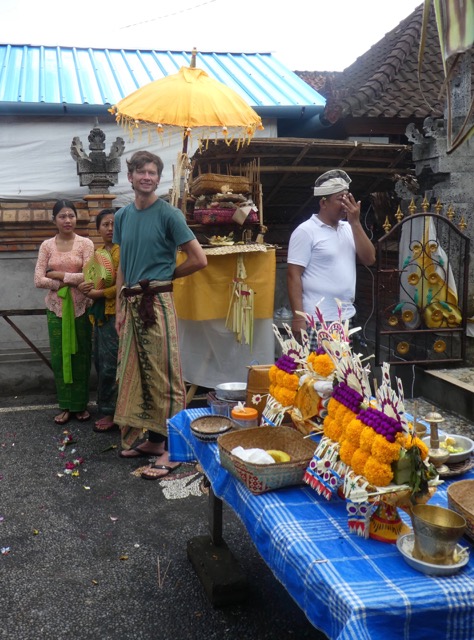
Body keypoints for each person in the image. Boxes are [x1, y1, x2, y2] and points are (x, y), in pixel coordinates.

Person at [114, 150, 207, 480]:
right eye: (141, 172)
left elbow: (199, 259)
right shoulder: (122, 216)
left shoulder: (170, 215)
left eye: (152, 172)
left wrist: (167, 277)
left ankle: (175, 448)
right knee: (140, 373)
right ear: (130, 177)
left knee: (165, 375)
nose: (147, 177)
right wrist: (119, 306)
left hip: (157, 302)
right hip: (131, 302)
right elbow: (123, 264)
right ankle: (154, 440)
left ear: (158, 178)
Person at [287, 170, 376, 348]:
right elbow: (293, 275)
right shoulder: (306, 231)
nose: (346, 204)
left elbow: (369, 259)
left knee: (345, 366)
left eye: (348, 198)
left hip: (346, 316)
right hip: (317, 319)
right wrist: (298, 317)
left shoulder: (349, 228)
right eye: (340, 199)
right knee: (318, 366)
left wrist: (355, 222)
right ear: (323, 203)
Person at [34, 200, 95, 424]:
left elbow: (90, 276)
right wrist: (64, 284)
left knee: (81, 355)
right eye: (62, 216)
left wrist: (59, 275)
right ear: (54, 220)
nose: (67, 220)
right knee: (60, 357)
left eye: (71, 215)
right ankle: (66, 405)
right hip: (56, 308)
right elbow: (38, 279)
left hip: (81, 307)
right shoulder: (47, 246)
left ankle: (80, 405)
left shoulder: (86, 244)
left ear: (76, 218)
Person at [81, 208, 120, 432]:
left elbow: (124, 284)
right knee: (101, 362)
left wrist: (99, 293)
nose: (110, 228)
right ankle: (107, 407)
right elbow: (92, 280)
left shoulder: (122, 251)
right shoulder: (98, 253)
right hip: (99, 316)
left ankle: (113, 412)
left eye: (114, 224)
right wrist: (86, 288)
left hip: (116, 314)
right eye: (105, 224)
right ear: (98, 229)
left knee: (111, 365)